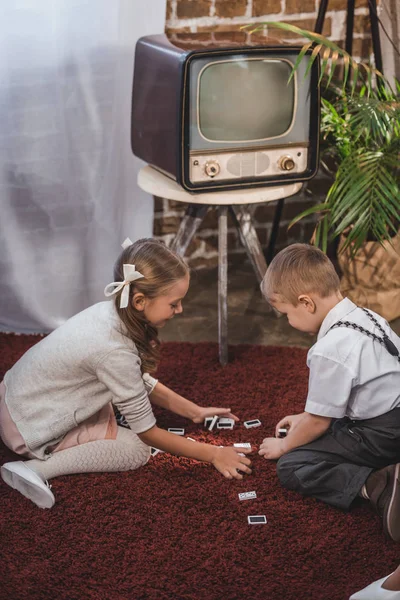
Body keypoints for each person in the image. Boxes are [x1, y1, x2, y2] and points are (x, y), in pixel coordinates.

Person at [0, 237, 251, 509]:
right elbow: (147, 432)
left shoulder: (110, 312)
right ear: (141, 300)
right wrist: (213, 453)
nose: (180, 310)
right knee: (135, 450)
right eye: (174, 303)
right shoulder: (114, 351)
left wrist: (194, 411)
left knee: (117, 401)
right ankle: (35, 469)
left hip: (12, 398)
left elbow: (135, 379)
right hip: (28, 430)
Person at [257, 243, 400, 541]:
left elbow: (319, 422)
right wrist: (306, 415)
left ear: (306, 303)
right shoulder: (369, 317)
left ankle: (379, 485)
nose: (288, 321)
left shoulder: (329, 349)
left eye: (286, 313)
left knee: (293, 465)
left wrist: (284, 447)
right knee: (321, 427)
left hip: (383, 434)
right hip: (391, 417)